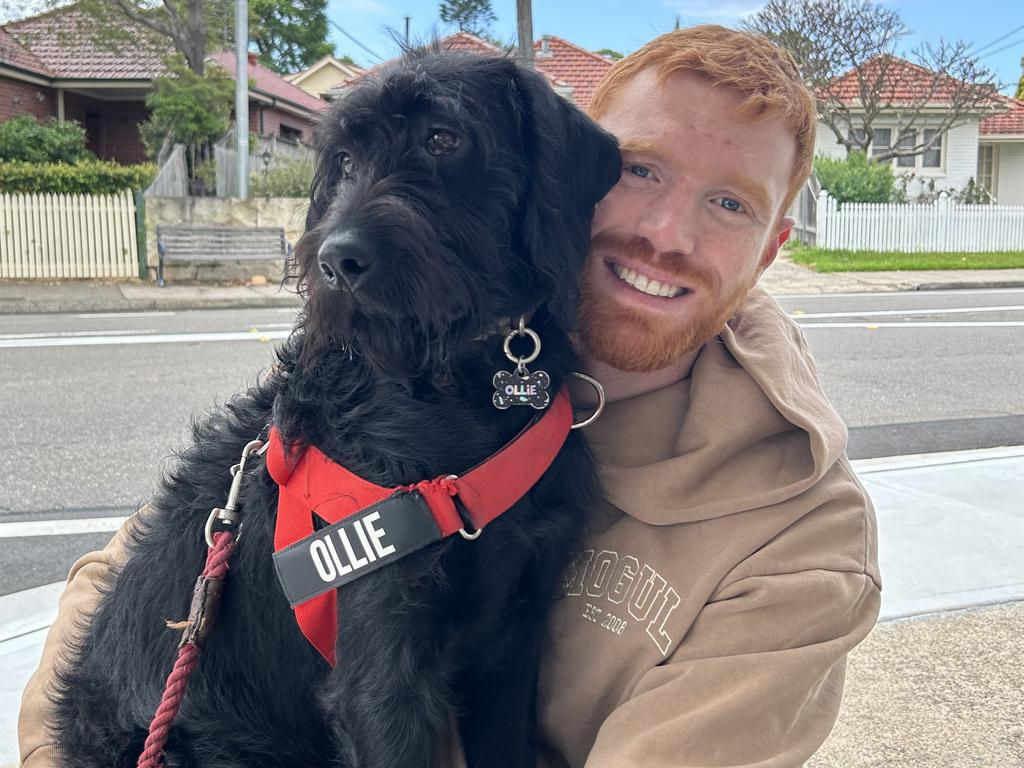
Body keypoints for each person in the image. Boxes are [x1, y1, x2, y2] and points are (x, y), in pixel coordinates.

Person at [19, 25, 880, 768]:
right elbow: (124, 580)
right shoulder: (403, 355)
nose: (666, 233)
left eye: (729, 202)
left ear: (771, 247)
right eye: (642, 171)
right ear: (573, 171)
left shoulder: (802, 543)